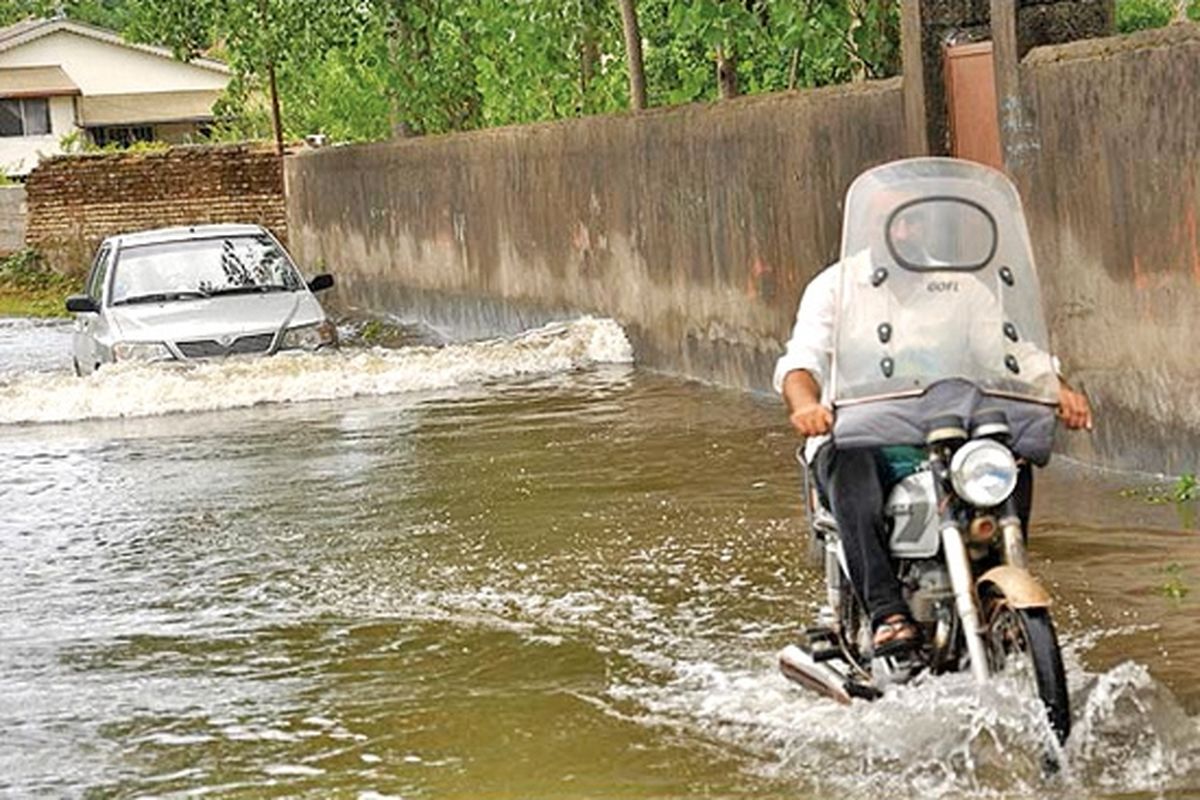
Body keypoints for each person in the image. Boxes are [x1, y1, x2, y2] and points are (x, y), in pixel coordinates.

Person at [775, 254, 1093, 655]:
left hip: (946, 430)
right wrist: (806, 405)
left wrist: (1055, 387)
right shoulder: (835, 286)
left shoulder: (960, 287)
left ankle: (998, 588)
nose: (906, 224)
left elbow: (1013, 351)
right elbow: (802, 362)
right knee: (849, 460)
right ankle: (887, 613)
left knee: (1007, 451)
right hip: (861, 433)